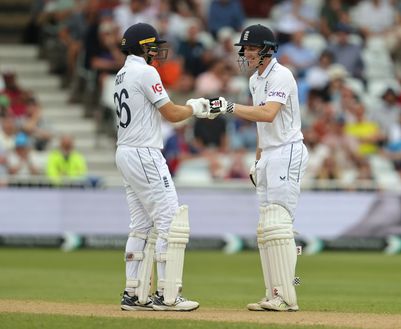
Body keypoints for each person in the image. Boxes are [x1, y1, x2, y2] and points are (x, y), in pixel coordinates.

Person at [205, 24, 309, 311]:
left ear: (266, 50)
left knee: (280, 226)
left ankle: (289, 292)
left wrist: (228, 107)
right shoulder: (255, 80)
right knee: (265, 229)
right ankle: (274, 292)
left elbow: (268, 113)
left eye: (251, 48)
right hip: (269, 155)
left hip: (287, 152)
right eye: (245, 48)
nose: (246, 53)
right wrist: (257, 159)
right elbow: (263, 127)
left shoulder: (282, 75)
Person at [115, 22, 208, 312]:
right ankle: (167, 296)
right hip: (144, 152)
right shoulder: (145, 71)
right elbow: (171, 114)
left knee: (140, 225)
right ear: (142, 47)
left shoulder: (121, 74)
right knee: (170, 220)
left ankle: (133, 293)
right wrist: (196, 107)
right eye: (153, 45)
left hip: (125, 152)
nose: (156, 50)